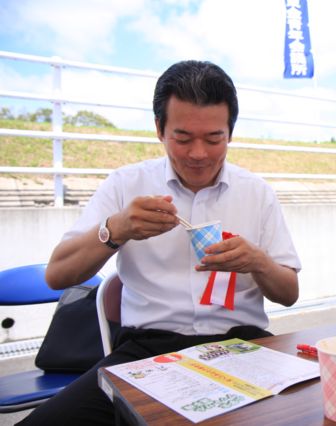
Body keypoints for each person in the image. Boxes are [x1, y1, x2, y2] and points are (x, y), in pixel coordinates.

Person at [19, 60, 300, 425]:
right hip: (147, 350)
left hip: (243, 345)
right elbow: (58, 276)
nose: (198, 153)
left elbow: (289, 293)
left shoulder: (257, 193)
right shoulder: (125, 184)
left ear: (230, 132)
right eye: (183, 138)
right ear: (159, 130)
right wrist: (116, 229)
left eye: (213, 138)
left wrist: (258, 262)